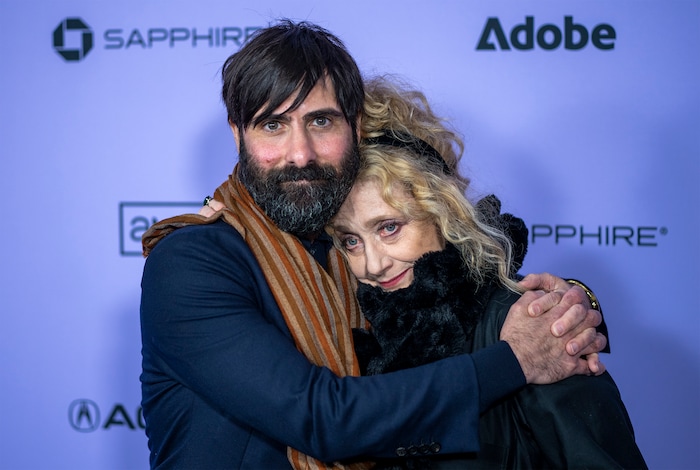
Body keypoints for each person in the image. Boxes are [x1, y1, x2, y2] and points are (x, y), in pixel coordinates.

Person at [140, 20, 607, 469]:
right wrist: (515, 361)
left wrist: (566, 309)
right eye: (273, 126)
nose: (300, 153)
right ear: (238, 134)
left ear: (355, 127)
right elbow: (323, 418)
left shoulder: (341, 246)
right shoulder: (192, 259)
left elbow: (456, 299)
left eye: (320, 121)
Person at [325, 76, 646, 469]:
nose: (372, 265)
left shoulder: (537, 326)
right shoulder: (354, 336)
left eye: (389, 227)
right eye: (350, 241)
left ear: (443, 211)